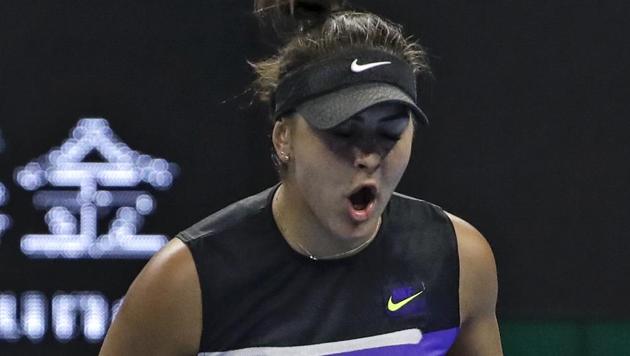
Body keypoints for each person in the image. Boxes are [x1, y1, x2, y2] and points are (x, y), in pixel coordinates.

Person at [100, 0, 502, 354]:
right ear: (284, 137)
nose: (367, 156)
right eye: (343, 132)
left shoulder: (459, 259)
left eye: (389, 132)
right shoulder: (184, 284)